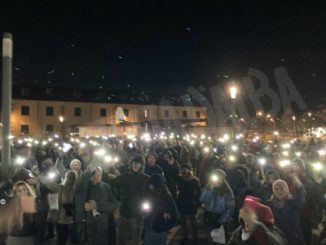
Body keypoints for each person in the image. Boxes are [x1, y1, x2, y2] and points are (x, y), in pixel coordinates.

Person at [111, 155, 150, 245]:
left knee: (135, 236)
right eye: (134, 163)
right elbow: (112, 184)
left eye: (138, 163)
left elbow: (150, 193)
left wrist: (145, 205)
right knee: (121, 236)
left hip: (137, 213)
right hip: (124, 210)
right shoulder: (124, 176)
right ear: (131, 164)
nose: (136, 165)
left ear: (141, 165)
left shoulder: (145, 178)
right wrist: (118, 197)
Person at [74, 165, 117, 245]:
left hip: (103, 227)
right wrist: (88, 172)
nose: (97, 175)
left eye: (99, 173)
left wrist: (97, 205)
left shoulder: (106, 187)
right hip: (87, 226)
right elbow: (77, 190)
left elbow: (114, 205)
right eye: (94, 173)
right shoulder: (84, 188)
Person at [38, 170, 78, 245]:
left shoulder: (75, 190)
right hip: (60, 219)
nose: (70, 179)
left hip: (71, 220)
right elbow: (48, 183)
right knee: (61, 240)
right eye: (69, 176)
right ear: (65, 177)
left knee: (67, 240)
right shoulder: (59, 187)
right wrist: (38, 173)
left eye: (72, 177)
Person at [267, 175, 306, 245]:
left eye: (282, 188)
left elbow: (301, 194)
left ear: (287, 189)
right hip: (277, 240)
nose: (279, 191)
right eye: (276, 189)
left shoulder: (293, 203)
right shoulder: (269, 205)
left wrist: (295, 178)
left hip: (295, 240)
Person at [200, 169, 236, 244]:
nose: (217, 180)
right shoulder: (209, 188)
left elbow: (231, 208)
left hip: (220, 219)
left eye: (219, 178)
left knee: (220, 242)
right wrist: (210, 189)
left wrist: (221, 221)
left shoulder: (227, 191)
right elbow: (203, 200)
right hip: (209, 218)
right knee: (211, 241)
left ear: (223, 179)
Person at [143, 174, 178, 245]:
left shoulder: (166, 197)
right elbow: (142, 211)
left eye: (152, 184)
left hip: (161, 231)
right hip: (149, 229)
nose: (150, 186)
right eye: (150, 184)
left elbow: (174, 215)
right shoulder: (147, 195)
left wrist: (166, 227)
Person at [6, 181, 37, 245]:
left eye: (24, 189)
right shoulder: (12, 204)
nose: (23, 192)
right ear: (15, 193)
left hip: (29, 237)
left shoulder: (34, 203)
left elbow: (36, 224)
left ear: (28, 190)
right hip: (14, 237)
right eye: (19, 191)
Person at [177, 165, 201, 244]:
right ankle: (185, 236)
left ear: (189, 170)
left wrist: (197, 202)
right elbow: (179, 191)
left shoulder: (194, 180)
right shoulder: (180, 179)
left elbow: (198, 192)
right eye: (182, 169)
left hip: (191, 203)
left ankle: (195, 236)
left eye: (185, 169)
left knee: (192, 221)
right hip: (182, 202)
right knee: (183, 222)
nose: (184, 171)